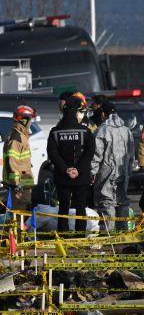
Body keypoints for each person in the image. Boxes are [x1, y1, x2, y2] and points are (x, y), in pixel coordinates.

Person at [47, 92, 95, 234]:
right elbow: (89, 153)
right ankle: (80, 233)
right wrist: (78, 170)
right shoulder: (85, 131)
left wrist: (66, 169)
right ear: (75, 114)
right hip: (81, 177)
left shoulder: (55, 132)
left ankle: (63, 233)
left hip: (62, 177)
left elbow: (52, 153)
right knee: (81, 207)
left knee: (63, 207)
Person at [91, 100, 134, 232]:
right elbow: (131, 155)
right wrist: (129, 171)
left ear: (103, 114)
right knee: (122, 201)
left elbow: (95, 156)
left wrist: (92, 172)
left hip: (106, 172)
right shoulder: (126, 131)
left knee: (106, 201)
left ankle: (108, 233)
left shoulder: (102, 131)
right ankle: (123, 232)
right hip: (124, 171)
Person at [2, 106, 36, 210]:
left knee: (20, 213)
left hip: (22, 185)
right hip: (19, 187)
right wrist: (17, 184)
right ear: (24, 120)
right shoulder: (17, 138)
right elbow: (12, 162)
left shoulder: (21, 135)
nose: (31, 122)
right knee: (18, 214)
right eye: (30, 119)